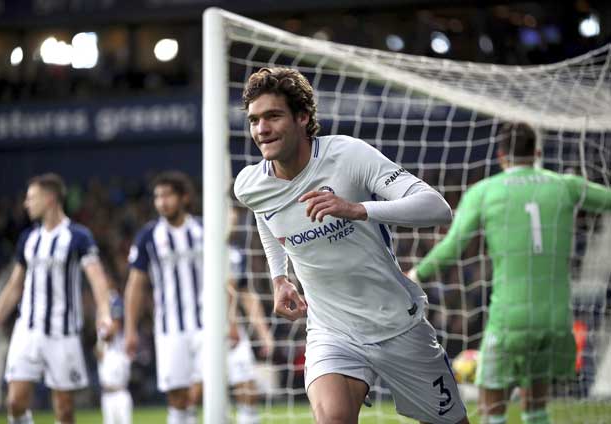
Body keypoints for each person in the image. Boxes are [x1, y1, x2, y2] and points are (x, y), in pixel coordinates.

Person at [234, 67, 469, 424]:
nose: (261, 129)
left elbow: (438, 208)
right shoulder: (250, 184)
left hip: (397, 325)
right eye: (254, 120)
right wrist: (279, 275)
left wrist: (358, 209)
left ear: (303, 117)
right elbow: (265, 214)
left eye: (273, 116)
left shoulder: (347, 155)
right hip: (332, 329)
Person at [408, 122, 611, 424]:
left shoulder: (485, 191)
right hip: (555, 319)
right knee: (536, 410)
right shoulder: (566, 185)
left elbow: (453, 247)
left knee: (494, 413)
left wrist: (416, 275)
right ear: (537, 153)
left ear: (501, 155)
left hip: (510, 318)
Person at [124, 171, 272, 424]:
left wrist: (238, 323)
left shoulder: (207, 231)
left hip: (213, 325)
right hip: (171, 328)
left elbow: (234, 282)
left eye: (167, 195)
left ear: (184, 198)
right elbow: (135, 286)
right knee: (180, 399)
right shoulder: (148, 237)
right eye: (157, 197)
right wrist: (130, 329)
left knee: (245, 388)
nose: (161, 202)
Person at [0, 173, 112, 424]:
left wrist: (104, 312)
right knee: (15, 402)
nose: (26, 203)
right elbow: (13, 287)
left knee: (64, 409)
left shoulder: (78, 236)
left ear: (50, 199)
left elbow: (97, 277)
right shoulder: (28, 238)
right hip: (27, 330)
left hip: (63, 334)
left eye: (32, 197)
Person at [96, 289, 132, 424]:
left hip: (121, 393)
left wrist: (102, 334)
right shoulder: (101, 305)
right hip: (106, 394)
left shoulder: (121, 339)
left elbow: (113, 329)